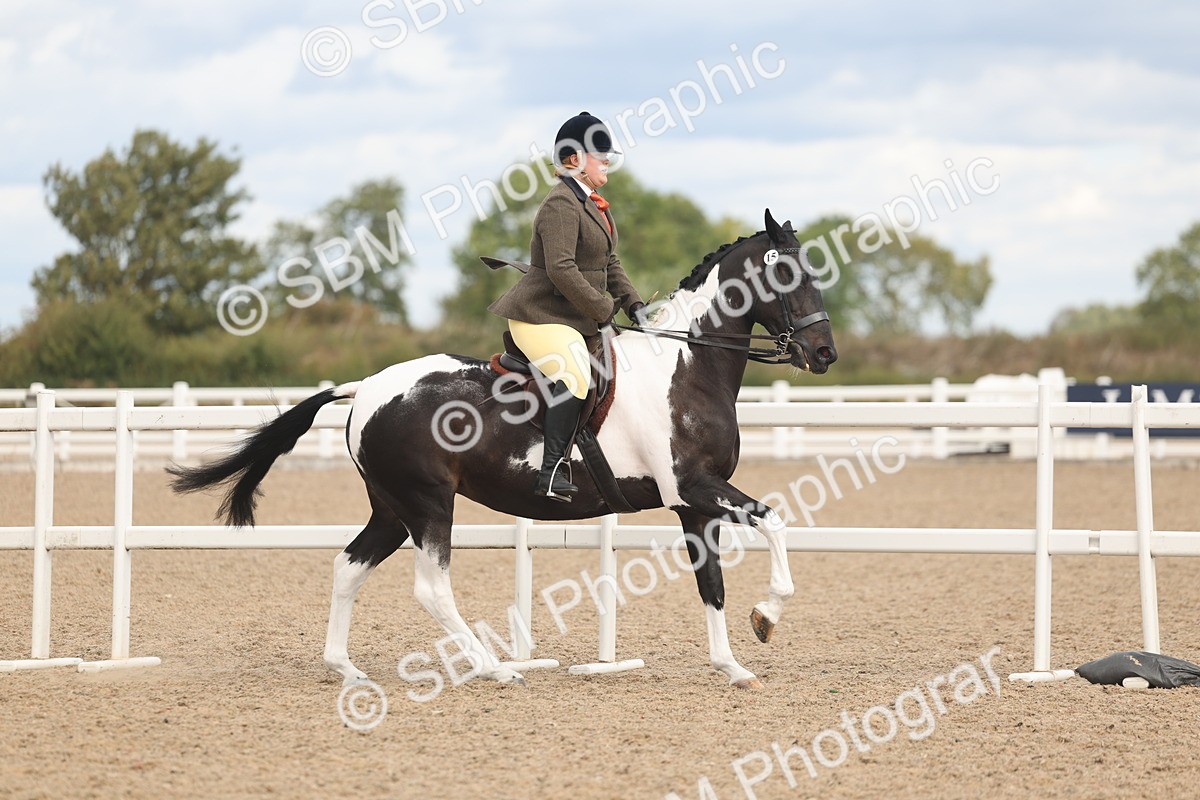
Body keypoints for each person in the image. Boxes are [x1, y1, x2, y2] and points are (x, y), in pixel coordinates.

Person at [489, 111, 647, 502]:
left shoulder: (595, 206)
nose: (607, 159)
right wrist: (602, 308)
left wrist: (634, 305)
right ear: (574, 159)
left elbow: (609, 264)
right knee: (575, 373)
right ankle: (552, 469)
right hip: (540, 316)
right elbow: (561, 269)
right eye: (600, 153)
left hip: (574, 317)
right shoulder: (561, 203)